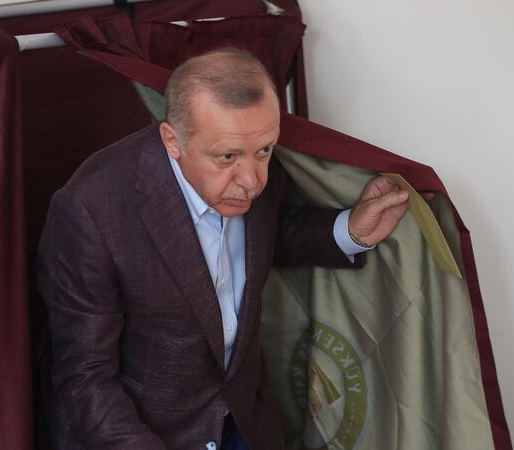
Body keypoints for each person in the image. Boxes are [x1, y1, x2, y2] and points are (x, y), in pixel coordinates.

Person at [37, 48, 411, 450]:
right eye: (227, 157)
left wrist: (350, 230)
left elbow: (268, 237)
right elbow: (85, 376)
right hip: (143, 436)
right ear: (173, 141)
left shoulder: (250, 163)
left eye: (265, 151)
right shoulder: (91, 209)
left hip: (244, 422)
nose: (251, 180)